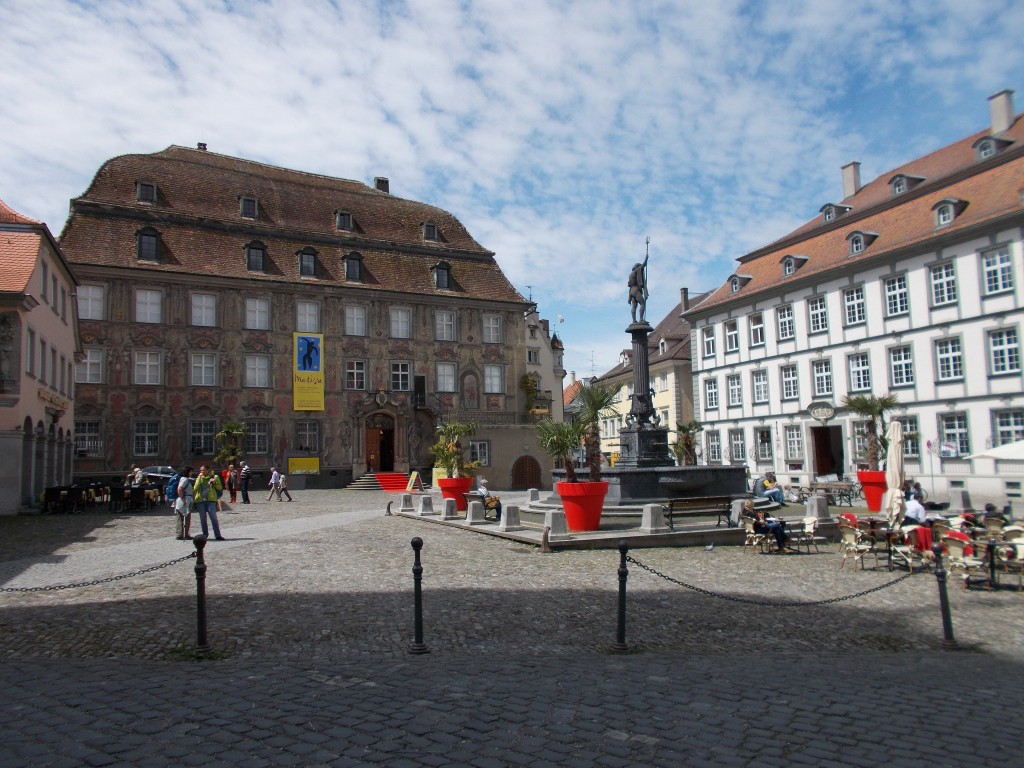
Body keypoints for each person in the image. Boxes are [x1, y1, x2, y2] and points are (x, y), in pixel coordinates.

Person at [193, 465, 225, 540]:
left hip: (211, 500)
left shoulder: (215, 477)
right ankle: (205, 534)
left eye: (203, 470)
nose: (202, 472)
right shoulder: (199, 478)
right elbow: (195, 488)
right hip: (200, 500)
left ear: (208, 470)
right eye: (201, 470)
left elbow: (220, 488)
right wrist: (199, 478)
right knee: (203, 518)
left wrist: (214, 483)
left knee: (213, 518)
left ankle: (217, 535)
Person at [174, 466, 194, 541]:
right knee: (185, 517)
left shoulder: (183, 479)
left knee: (181, 517)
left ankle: (181, 534)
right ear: (188, 472)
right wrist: (182, 498)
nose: (192, 473)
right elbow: (180, 488)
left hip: (183, 499)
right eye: (191, 471)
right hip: (185, 500)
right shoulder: (185, 479)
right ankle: (183, 534)